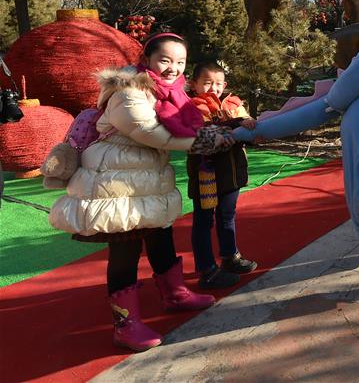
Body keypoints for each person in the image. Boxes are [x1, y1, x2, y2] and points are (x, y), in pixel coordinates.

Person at [48, 33, 234, 352]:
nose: (173, 68)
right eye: (165, 60)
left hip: (146, 180)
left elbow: (180, 126)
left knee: (161, 236)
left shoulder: (172, 93)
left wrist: (215, 131)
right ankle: (125, 323)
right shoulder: (128, 91)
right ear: (146, 59)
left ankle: (174, 294)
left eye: (180, 62)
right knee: (126, 251)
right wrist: (206, 141)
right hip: (115, 183)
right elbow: (152, 134)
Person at [186, 62, 258, 289]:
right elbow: (202, 134)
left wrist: (251, 129)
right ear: (193, 84)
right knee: (203, 221)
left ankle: (230, 257)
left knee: (227, 215)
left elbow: (247, 129)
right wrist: (237, 126)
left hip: (232, 173)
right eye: (207, 83)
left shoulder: (234, 103)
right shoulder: (191, 107)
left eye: (218, 83)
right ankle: (207, 269)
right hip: (205, 174)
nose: (213, 88)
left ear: (225, 84)